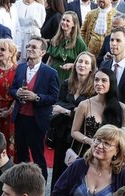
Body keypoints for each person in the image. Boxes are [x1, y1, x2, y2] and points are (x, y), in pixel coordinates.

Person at [11, 36, 60, 182]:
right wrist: (17, 93)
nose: (29, 49)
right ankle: (21, 180)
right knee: (20, 152)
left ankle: (41, 182)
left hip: (36, 120)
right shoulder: (20, 68)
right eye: (28, 47)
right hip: (20, 117)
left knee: (37, 154)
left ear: (43, 52)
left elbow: (54, 97)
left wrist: (36, 97)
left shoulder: (50, 72)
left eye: (34, 47)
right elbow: (12, 89)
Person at [50, 52, 95, 185]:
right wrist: (74, 110)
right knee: (58, 168)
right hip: (62, 133)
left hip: (80, 136)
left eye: (86, 63)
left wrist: (66, 111)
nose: (82, 65)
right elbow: (57, 104)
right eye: (80, 62)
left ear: (91, 68)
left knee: (74, 170)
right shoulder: (66, 83)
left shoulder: (94, 89)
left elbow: (89, 114)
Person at [47, 12, 87, 81]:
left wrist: (72, 65)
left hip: (69, 76)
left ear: (73, 24)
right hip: (53, 74)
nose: (64, 22)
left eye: (68, 21)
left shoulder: (79, 42)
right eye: (63, 20)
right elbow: (50, 59)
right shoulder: (55, 39)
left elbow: (86, 62)